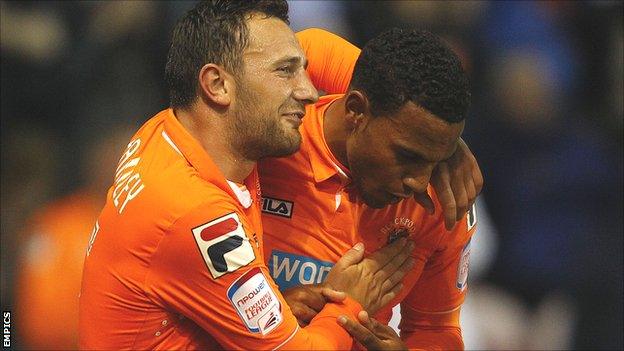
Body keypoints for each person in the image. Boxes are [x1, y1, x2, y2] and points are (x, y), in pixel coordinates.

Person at [78, 1, 415, 350]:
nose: (310, 92)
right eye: (285, 71)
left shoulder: (167, 131)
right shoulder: (198, 215)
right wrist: (347, 303)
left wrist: (444, 142)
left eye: (303, 70)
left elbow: (319, 47)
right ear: (217, 84)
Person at [260, 28, 479, 350]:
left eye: (437, 160)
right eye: (408, 155)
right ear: (356, 111)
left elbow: (436, 328)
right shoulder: (265, 143)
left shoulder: (443, 197)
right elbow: (307, 46)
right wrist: (266, 313)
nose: (418, 182)